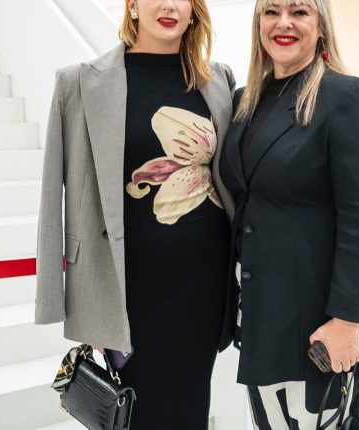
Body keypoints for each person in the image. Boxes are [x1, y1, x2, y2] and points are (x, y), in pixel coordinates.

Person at [34, 0, 237, 427]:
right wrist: (69, 301)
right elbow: (53, 192)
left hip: (203, 288)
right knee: (136, 413)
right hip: (128, 293)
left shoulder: (217, 80)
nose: (168, 5)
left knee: (190, 407)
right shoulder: (79, 83)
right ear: (131, 6)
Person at [218, 0, 359, 427]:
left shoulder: (348, 97)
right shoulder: (244, 101)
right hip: (261, 316)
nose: (284, 23)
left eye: (299, 12)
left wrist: (347, 320)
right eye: (271, 12)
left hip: (320, 324)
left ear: (321, 26)